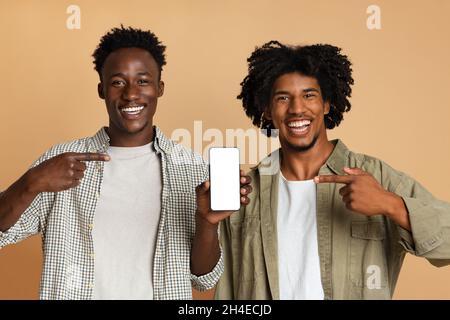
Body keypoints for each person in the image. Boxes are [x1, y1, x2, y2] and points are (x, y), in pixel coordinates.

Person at [0, 26, 250, 300]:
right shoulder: (62, 160)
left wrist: (207, 222)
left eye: (143, 81)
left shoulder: (191, 167)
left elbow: (203, 279)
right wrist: (29, 183)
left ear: (160, 88)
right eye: (118, 82)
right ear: (102, 90)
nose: (131, 94)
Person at [215, 41, 450, 299]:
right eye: (283, 98)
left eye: (309, 95)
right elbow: (221, 286)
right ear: (268, 110)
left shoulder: (374, 176)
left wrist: (389, 204)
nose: (296, 108)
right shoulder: (246, 191)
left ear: (326, 104)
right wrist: (206, 222)